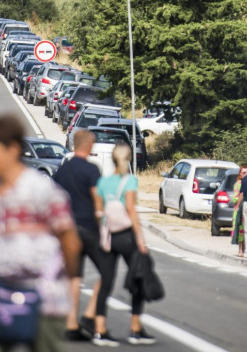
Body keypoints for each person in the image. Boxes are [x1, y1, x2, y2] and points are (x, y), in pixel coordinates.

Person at [0, 114, 80, 352]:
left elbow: (70, 241)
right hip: (1, 299)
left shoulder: (42, 191)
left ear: (13, 149)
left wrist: (60, 285)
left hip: (45, 304)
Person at [94, 143, 155, 346]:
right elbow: (130, 209)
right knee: (138, 277)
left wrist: (103, 231)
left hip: (109, 235)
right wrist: (140, 239)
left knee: (106, 280)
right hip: (127, 235)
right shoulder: (130, 181)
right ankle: (135, 328)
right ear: (129, 160)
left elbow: (99, 211)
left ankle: (100, 329)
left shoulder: (103, 182)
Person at [53, 130, 103, 341]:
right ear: (89, 146)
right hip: (88, 228)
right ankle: (90, 315)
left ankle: (71, 325)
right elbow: (97, 199)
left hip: (67, 231)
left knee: (73, 277)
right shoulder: (92, 170)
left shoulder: (62, 170)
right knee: (107, 271)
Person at [231, 165, 247, 257]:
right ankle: (240, 250)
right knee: (240, 229)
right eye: (244, 172)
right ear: (240, 174)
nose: (246, 174)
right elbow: (235, 198)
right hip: (239, 209)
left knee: (246, 230)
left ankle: (245, 249)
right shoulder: (238, 184)